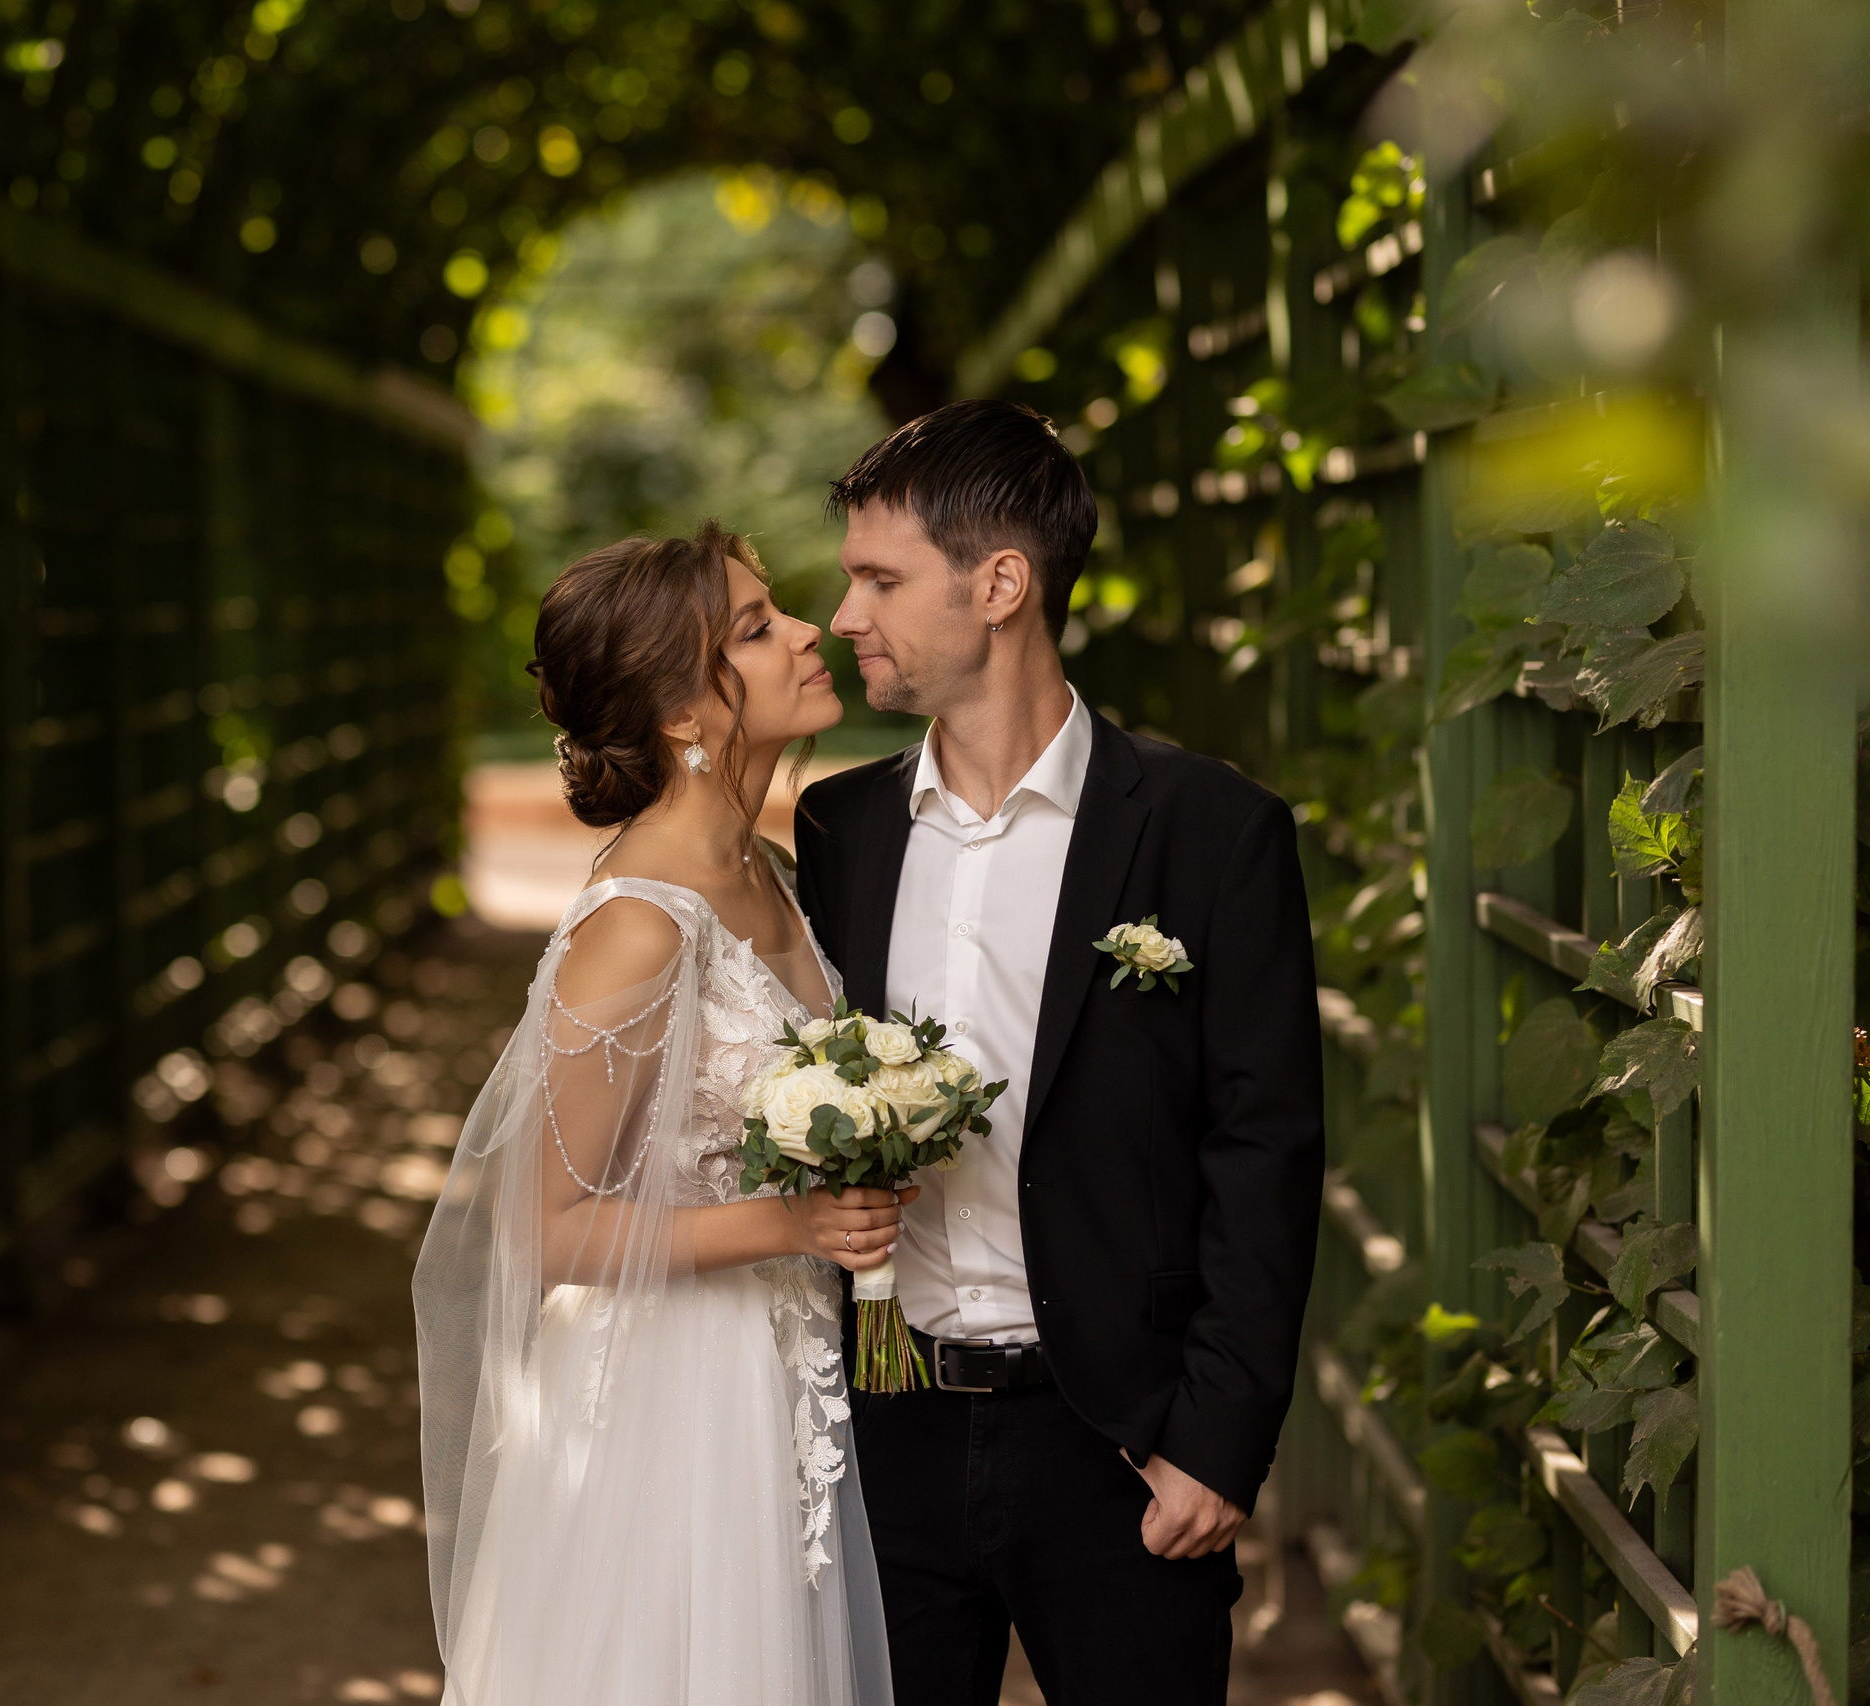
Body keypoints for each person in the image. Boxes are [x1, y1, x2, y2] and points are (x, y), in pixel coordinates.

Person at [794, 399, 1326, 1706]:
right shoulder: (839, 829)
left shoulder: (1214, 830)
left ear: (1001, 583)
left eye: (880, 578)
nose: (842, 615)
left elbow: (1266, 1147)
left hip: (1120, 1445)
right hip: (886, 1431)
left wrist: (1215, 1441)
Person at [414, 521, 901, 1706]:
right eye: (753, 626)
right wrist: (794, 1225)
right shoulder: (638, 923)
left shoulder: (769, 867)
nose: (805, 630)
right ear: (683, 711)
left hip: (783, 1372)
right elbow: (550, 1227)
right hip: (672, 1403)